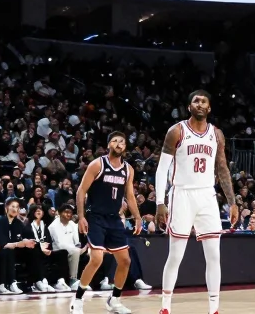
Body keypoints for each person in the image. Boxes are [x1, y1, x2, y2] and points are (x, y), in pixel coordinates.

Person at [155, 91, 237, 314]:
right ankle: (165, 307)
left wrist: (232, 202)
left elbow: (222, 168)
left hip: (207, 196)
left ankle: (214, 309)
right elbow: (162, 169)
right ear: (189, 106)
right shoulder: (176, 131)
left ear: (209, 108)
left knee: (214, 255)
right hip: (181, 195)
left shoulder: (216, 134)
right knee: (176, 255)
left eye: (204, 102)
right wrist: (159, 202)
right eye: (196, 101)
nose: (200, 104)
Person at [72, 132, 141, 314]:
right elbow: (81, 191)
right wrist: (81, 217)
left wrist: (138, 217)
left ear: (125, 147)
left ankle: (115, 300)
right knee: (96, 259)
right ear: (109, 144)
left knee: (125, 260)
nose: (118, 144)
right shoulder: (97, 164)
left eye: (122, 141)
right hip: (95, 217)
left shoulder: (128, 169)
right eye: (115, 141)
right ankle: (78, 299)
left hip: (114, 218)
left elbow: (130, 196)